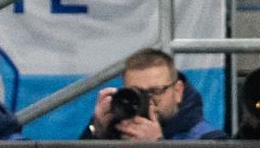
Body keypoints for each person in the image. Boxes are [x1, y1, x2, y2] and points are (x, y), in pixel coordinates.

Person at [82, 47, 224, 141]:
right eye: (137, 93)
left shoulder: (209, 140)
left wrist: (157, 146)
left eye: (155, 91)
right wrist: (95, 130)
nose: (148, 101)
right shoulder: (116, 130)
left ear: (178, 91)